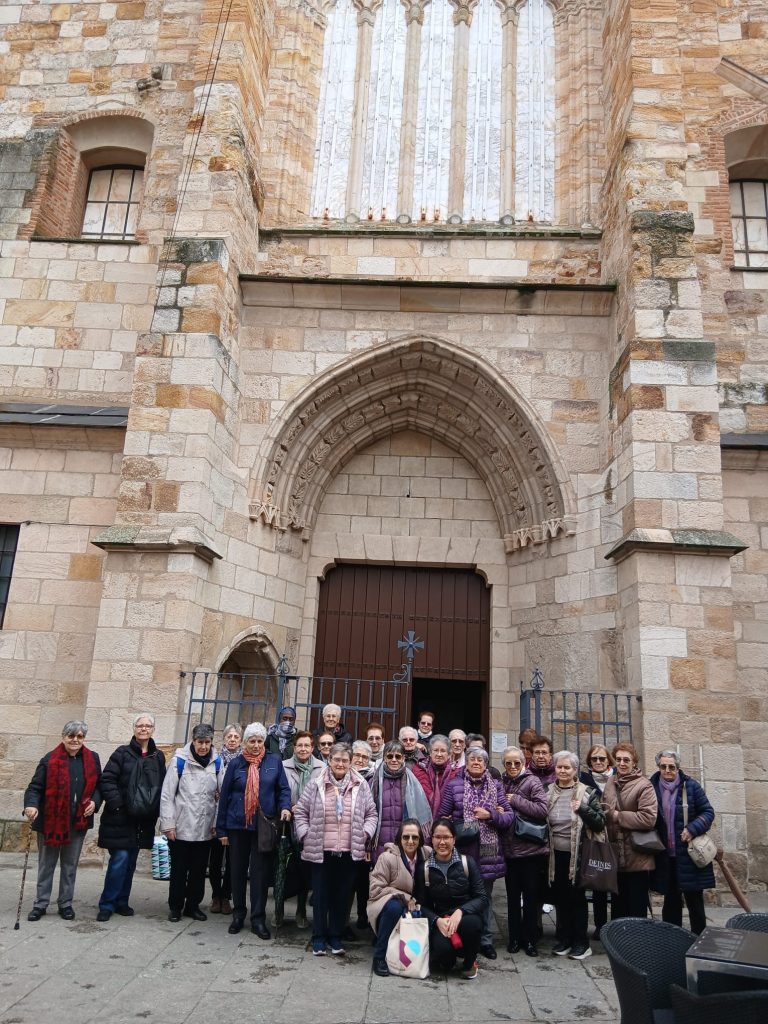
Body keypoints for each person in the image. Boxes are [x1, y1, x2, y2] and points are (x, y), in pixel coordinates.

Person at [293, 742, 378, 956]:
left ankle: (335, 936)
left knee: (342, 897)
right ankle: (319, 937)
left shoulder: (361, 784)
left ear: (350, 763)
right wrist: (305, 834)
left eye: (345, 760)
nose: (340, 764)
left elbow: (372, 814)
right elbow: (301, 811)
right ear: (329, 761)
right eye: (336, 759)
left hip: (349, 851)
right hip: (322, 850)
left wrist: (365, 834)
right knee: (321, 896)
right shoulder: (316, 783)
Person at [216, 722, 292, 938]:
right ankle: (239, 914)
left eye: (260, 741)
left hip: (263, 825)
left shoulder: (274, 762)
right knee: (237, 872)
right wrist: (221, 830)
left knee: (259, 873)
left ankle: (258, 918)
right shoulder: (236, 764)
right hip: (237, 825)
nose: (256, 745)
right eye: (252, 741)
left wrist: (285, 807)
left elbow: (283, 789)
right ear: (245, 743)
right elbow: (225, 797)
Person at [439, 747, 514, 960]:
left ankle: (485, 940)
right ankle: (461, 936)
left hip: (488, 853)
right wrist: (452, 823)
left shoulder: (496, 785)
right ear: (466, 762)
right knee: (460, 896)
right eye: (472, 759)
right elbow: (442, 817)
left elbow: (509, 818)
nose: (476, 762)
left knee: (485, 898)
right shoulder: (454, 785)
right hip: (462, 851)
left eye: (481, 760)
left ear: (486, 763)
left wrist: (490, 815)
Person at [23, 720, 101, 922]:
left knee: (69, 866)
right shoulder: (49, 759)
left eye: (80, 736)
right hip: (51, 822)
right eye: (71, 736)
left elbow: (99, 786)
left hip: (78, 821)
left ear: (84, 738)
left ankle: (65, 904)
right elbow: (34, 788)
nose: (75, 740)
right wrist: (31, 805)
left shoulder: (92, 758)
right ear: (63, 737)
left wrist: (95, 801)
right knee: (46, 865)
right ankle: (40, 904)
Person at [97, 712, 166, 922]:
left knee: (131, 862)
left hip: (141, 820)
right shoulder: (122, 753)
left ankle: (121, 902)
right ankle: (107, 904)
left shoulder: (158, 756)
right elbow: (107, 780)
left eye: (148, 726)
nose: (143, 729)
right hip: (120, 817)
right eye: (140, 725)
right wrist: (119, 805)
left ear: (153, 729)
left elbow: (160, 784)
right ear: (134, 729)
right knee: (120, 859)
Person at [547, 750, 606, 960]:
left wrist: (582, 808)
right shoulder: (549, 791)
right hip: (556, 855)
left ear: (575, 770)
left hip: (579, 855)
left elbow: (600, 822)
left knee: (577, 898)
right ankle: (565, 939)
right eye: (559, 767)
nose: (562, 771)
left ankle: (582, 942)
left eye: (567, 768)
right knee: (560, 897)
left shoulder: (587, 792)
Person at [160, 723, 221, 922]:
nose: (203, 746)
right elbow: (167, 795)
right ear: (193, 741)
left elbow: (222, 796)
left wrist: (216, 823)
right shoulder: (179, 761)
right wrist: (168, 824)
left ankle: (193, 905)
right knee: (179, 869)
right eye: (199, 742)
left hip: (205, 827)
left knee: (198, 870)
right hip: (182, 826)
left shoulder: (217, 762)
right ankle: (176, 907)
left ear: (212, 742)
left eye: (207, 742)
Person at [649, 750, 715, 935]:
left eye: (672, 767)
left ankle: (699, 940)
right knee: (670, 901)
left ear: (678, 768)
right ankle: (673, 939)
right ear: (659, 767)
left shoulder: (691, 786)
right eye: (663, 766)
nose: (667, 770)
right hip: (664, 854)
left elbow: (708, 813)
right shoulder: (651, 787)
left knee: (694, 901)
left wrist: (692, 829)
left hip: (688, 854)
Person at [413, 818, 488, 979]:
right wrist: (436, 920)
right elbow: (420, 904)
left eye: (446, 837)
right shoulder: (424, 868)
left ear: (454, 839)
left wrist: (460, 912)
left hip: (465, 916)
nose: (442, 842)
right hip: (441, 920)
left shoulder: (467, 863)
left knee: (473, 925)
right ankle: (451, 954)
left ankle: (469, 961)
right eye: (437, 837)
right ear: (431, 839)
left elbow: (482, 898)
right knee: (444, 957)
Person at [500, 745, 548, 957]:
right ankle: (514, 939)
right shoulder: (500, 782)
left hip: (530, 851)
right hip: (510, 850)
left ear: (523, 763)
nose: (512, 766)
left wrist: (515, 800)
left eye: (516, 763)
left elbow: (542, 810)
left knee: (530, 898)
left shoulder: (532, 781)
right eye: (508, 763)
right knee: (512, 898)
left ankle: (529, 940)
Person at [602, 742, 659, 919]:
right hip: (615, 851)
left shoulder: (644, 785)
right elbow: (604, 808)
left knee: (636, 906)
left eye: (626, 760)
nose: (622, 763)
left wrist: (618, 815)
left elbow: (648, 818)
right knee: (618, 906)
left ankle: (636, 943)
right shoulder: (611, 782)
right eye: (618, 759)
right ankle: (618, 943)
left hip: (636, 854)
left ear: (634, 762)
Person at [367, 818, 430, 977]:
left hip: (415, 905)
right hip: (385, 903)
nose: (410, 841)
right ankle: (379, 957)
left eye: (415, 837)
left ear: (420, 839)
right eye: (406, 837)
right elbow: (375, 889)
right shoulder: (387, 858)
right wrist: (405, 897)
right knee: (394, 907)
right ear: (399, 838)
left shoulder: (427, 854)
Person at [282, 730, 324, 928]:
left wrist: (306, 808)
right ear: (294, 747)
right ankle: (279, 910)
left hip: (311, 825)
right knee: (282, 868)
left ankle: (300, 911)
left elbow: (325, 796)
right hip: (286, 824)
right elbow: (279, 791)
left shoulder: (322, 768)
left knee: (304, 868)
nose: (303, 749)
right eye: (300, 745)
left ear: (312, 748)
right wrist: (289, 807)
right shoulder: (284, 767)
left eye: (307, 745)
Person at [370, 740, 432, 860]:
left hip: (406, 842)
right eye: (390, 756)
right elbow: (368, 814)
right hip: (380, 844)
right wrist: (368, 845)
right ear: (384, 758)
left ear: (403, 758)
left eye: (398, 756)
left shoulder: (412, 780)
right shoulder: (374, 781)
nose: (394, 760)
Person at [579, 744, 616, 939]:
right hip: (595, 835)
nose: (599, 762)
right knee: (599, 881)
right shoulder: (584, 780)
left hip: (617, 836)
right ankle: (600, 926)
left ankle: (617, 925)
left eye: (602, 758)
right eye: (594, 759)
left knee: (617, 881)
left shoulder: (617, 778)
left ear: (609, 760)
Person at [208, 722, 242, 914]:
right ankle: (215, 895)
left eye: (236, 737)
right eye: (229, 736)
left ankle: (226, 895)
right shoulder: (216, 759)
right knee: (215, 859)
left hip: (234, 815)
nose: (232, 740)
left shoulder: (244, 760)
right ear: (224, 738)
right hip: (216, 814)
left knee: (231, 860)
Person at [412, 734, 462, 817]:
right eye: (435, 750)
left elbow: (459, 801)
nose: (439, 754)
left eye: (443, 751)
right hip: (421, 820)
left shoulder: (457, 773)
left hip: (446, 824)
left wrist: (452, 816)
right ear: (430, 753)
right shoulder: (418, 770)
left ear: (449, 754)